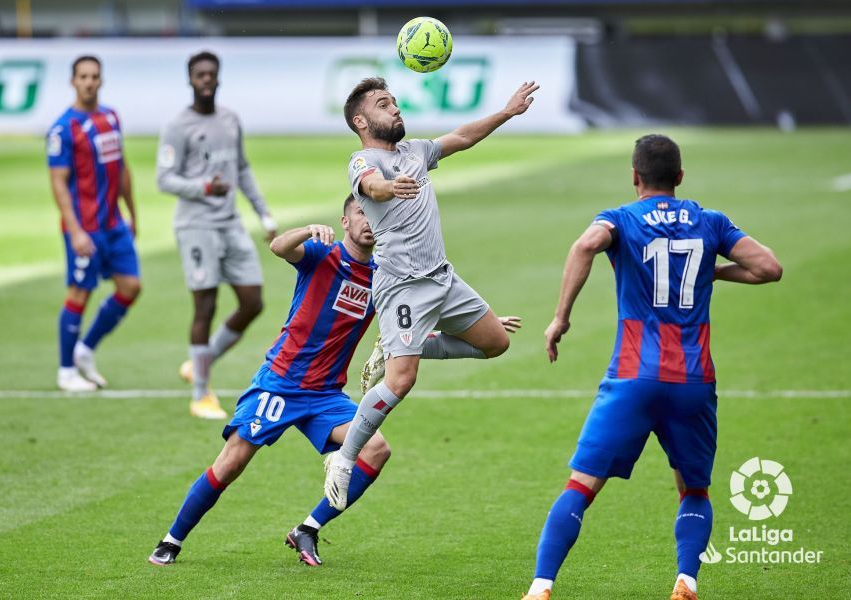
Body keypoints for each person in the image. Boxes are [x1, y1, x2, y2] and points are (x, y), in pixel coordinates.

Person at [148, 197, 522, 567]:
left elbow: (409, 328)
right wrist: (306, 230)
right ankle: (171, 540)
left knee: (376, 450)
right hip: (281, 382)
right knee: (232, 462)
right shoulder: (320, 254)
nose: (369, 221)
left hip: (326, 394)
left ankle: (307, 529)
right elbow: (279, 247)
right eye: (362, 213)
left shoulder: (383, 276)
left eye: (376, 215)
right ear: (345, 221)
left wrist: (479, 328)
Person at [521, 134, 783, 600]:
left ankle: (541, 587)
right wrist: (710, 270)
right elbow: (769, 268)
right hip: (693, 381)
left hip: (632, 378)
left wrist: (560, 318)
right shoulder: (710, 222)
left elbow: (585, 246)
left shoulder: (620, 218)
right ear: (680, 177)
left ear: (634, 177)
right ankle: (685, 580)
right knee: (694, 490)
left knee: (581, 486)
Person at [323, 77, 539, 511]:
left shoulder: (415, 151)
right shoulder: (362, 159)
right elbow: (368, 186)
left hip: (442, 278)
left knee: (496, 342)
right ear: (362, 121)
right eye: (385, 104)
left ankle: (402, 346)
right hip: (402, 286)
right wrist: (389, 188)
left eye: (396, 102)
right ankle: (344, 460)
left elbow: (461, 138)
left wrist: (506, 110)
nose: (396, 109)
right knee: (401, 381)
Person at [157, 51, 278, 419]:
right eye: (199, 75)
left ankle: (200, 362)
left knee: (252, 300)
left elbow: (241, 168)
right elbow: (164, 178)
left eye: (211, 74)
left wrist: (263, 212)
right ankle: (200, 394)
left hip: (230, 223)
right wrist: (202, 188)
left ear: (218, 77)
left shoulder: (230, 120)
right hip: (196, 225)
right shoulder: (179, 126)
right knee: (205, 306)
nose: (206, 80)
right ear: (190, 79)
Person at [47, 55, 140, 392]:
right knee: (80, 292)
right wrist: (74, 230)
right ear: (73, 81)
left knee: (131, 287)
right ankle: (66, 370)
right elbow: (58, 182)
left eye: (94, 76)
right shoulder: (63, 128)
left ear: (101, 80)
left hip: (114, 224)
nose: (89, 82)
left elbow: (122, 166)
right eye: (83, 76)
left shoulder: (111, 117)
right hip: (85, 226)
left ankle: (85, 350)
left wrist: (132, 212)